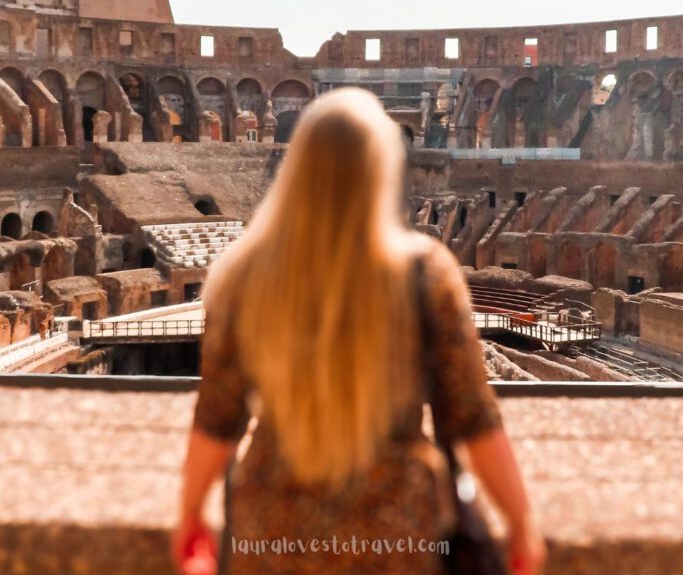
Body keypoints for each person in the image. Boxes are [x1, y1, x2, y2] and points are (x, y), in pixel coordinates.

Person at [173, 88, 546, 575]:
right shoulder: (425, 272)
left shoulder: (244, 274)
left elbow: (218, 418)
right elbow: (471, 416)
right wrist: (519, 520)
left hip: (271, 524)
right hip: (396, 526)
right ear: (382, 169)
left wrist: (188, 514)